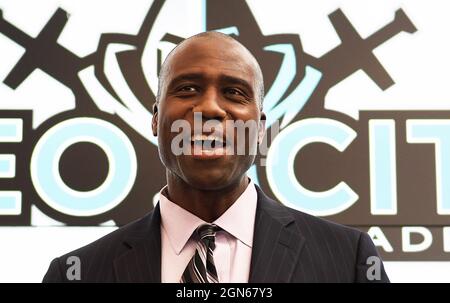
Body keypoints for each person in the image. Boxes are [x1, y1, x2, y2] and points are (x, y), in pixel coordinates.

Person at [43, 32, 389, 283]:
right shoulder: (78, 273)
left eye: (234, 93)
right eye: (187, 88)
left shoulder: (348, 260)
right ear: (155, 119)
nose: (209, 108)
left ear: (259, 129)